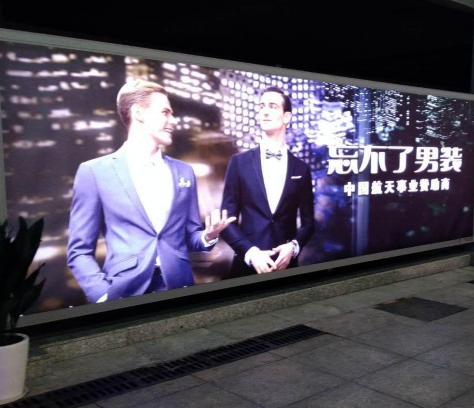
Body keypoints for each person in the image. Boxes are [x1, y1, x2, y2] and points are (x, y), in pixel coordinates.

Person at [67, 79, 233, 303]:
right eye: (165, 112)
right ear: (138, 113)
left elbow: (190, 236)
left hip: (179, 286)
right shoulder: (94, 172)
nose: (173, 120)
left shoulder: (184, 171)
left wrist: (208, 235)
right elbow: (79, 252)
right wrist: (103, 295)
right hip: (123, 292)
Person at [220, 86, 315, 277]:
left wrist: (293, 247)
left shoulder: (301, 169)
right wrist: (250, 253)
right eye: (262, 106)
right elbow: (227, 221)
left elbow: (309, 222)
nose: (265, 111)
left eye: (272, 106)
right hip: (246, 268)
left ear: (286, 117)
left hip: (286, 267)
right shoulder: (239, 162)